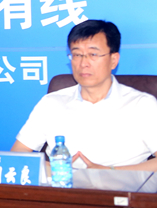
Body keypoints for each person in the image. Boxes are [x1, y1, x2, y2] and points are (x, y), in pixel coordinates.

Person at [11, 20, 157, 170]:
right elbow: (18, 153)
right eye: (77, 54)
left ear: (113, 60)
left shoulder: (142, 105)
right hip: (62, 183)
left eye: (93, 54)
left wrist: (111, 173)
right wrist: (56, 170)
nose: (83, 63)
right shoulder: (51, 103)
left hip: (122, 184)